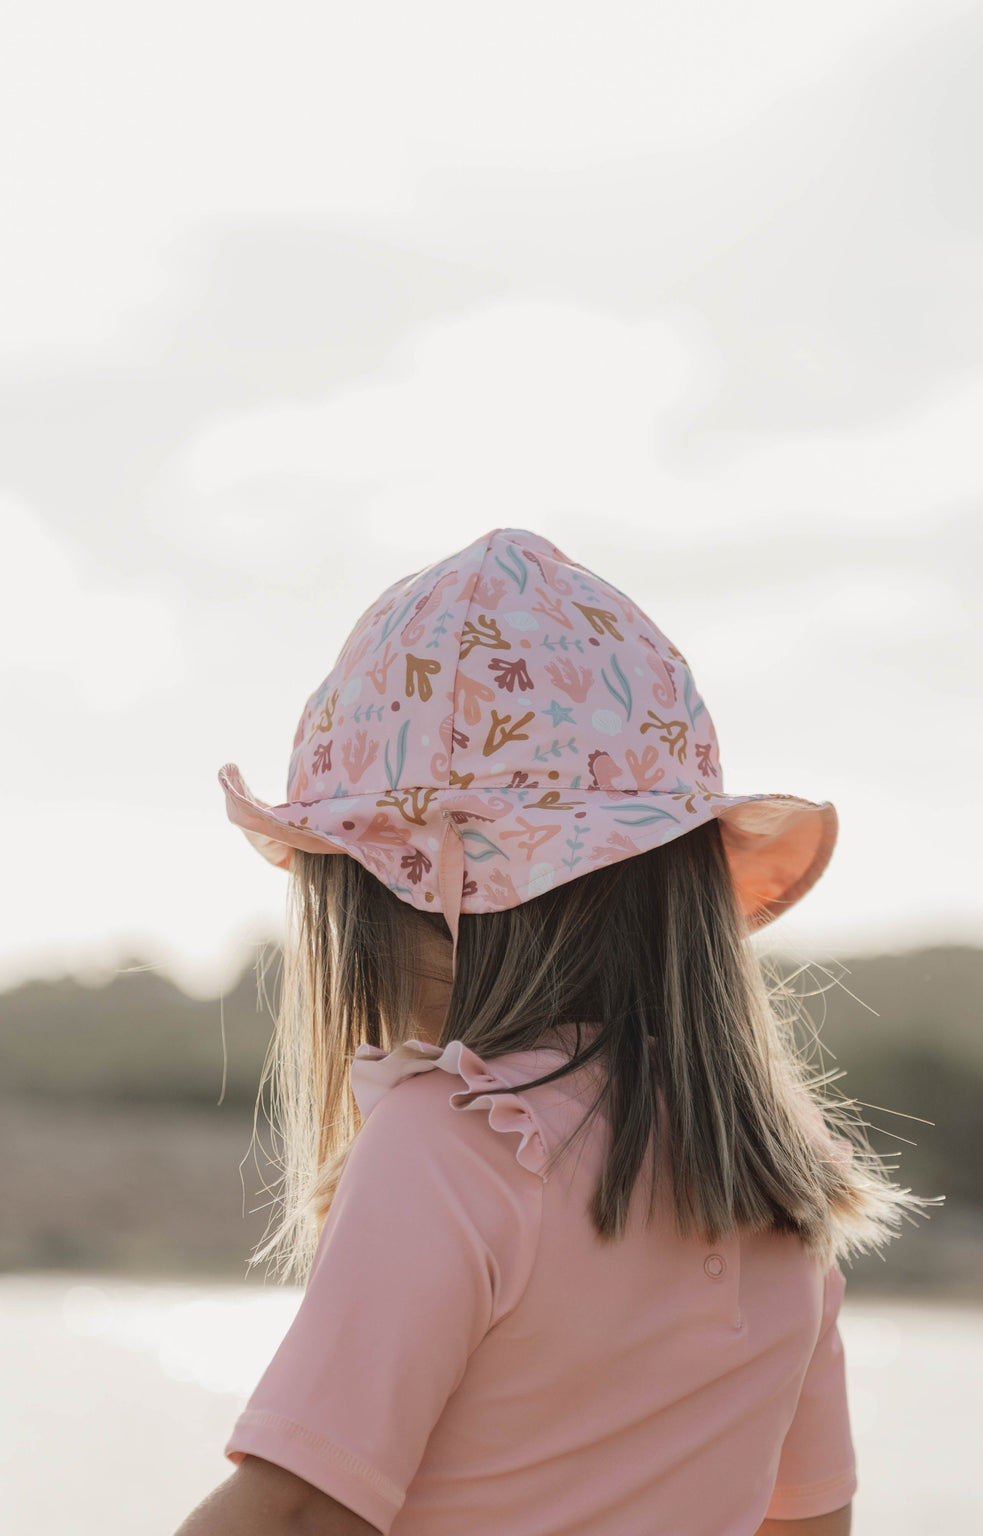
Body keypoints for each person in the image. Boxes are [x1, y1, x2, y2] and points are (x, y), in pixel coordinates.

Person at [175, 527, 935, 1536]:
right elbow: (806, 1525)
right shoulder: (770, 1180)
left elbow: (302, 1513)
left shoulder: (453, 1147)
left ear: (381, 902)